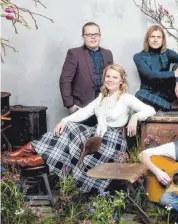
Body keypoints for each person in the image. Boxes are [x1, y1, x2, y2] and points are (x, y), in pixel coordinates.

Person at [5, 64, 156, 193]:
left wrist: (135, 117)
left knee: (72, 146)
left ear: (122, 80)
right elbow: (84, 112)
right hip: (97, 136)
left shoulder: (126, 98)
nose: (110, 80)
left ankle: (21, 160)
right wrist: (64, 120)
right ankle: (15, 157)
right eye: (108, 76)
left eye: (114, 77)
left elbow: (150, 110)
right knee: (68, 129)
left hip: (112, 142)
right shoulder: (102, 97)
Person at [134, 25, 178, 116]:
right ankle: (171, 107)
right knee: (139, 94)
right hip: (151, 94)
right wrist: (174, 73)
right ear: (147, 39)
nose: (155, 40)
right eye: (152, 36)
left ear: (163, 40)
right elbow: (149, 74)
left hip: (167, 92)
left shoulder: (167, 53)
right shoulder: (138, 57)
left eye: (158, 37)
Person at [59, 22, 113, 116]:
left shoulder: (107, 54)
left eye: (96, 34)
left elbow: (112, 78)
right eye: (89, 35)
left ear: (100, 36)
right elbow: (65, 80)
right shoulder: (74, 53)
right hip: (82, 106)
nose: (93, 37)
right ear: (83, 37)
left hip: (105, 105)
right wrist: (70, 105)